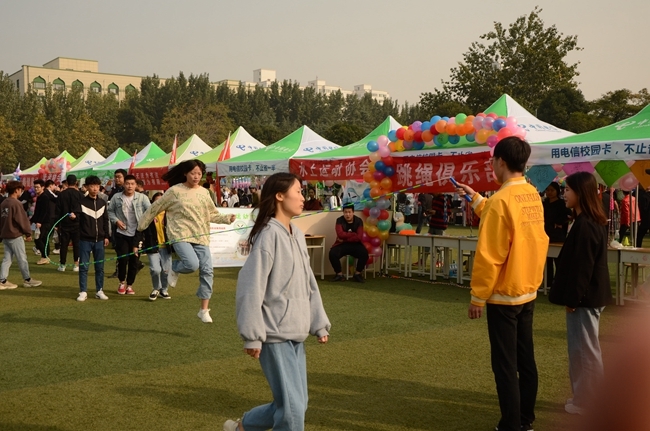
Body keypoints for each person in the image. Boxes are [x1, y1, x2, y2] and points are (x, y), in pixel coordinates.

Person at [455, 137, 549, 431]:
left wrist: (477, 297)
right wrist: (475, 198)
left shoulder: (500, 201)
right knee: (525, 360)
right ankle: (525, 420)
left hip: (504, 295)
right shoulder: (531, 193)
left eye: (493, 161)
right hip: (527, 289)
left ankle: (511, 424)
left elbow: (490, 256)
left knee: (505, 366)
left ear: (502, 162)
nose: (492, 166)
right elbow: (505, 221)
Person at [224, 172, 330, 431]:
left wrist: (319, 322)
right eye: (298, 192)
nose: (303, 198)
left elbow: (308, 283)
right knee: (292, 410)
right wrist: (252, 336)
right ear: (280, 196)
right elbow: (251, 286)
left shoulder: (297, 234)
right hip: (273, 333)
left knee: (295, 404)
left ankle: (243, 427)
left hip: (297, 331)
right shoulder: (269, 234)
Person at [137, 160, 235, 323]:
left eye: (199, 173)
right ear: (185, 173)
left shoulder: (204, 192)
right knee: (191, 264)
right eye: (193, 173)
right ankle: (174, 268)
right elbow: (155, 208)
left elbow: (212, 214)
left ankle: (204, 310)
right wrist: (141, 225)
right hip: (180, 234)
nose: (196, 176)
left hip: (201, 235)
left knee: (207, 271)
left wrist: (227, 218)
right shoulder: (174, 191)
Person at [549, 171, 612, 416]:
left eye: (568, 190)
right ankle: (585, 397)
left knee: (584, 352)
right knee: (583, 351)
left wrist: (573, 299)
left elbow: (582, 267)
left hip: (584, 298)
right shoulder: (590, 220)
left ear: (580, 192)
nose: (564, 194)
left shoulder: (586, 223)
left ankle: (588, 401)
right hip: (588, 296)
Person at [107, 174, 150, 295]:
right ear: (124, 184)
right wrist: (116, 221)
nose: (130, 186)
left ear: (136, 185)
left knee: (134, 260)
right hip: (122, 233)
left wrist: (145, 223)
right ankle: (122, 282)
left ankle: (130, 285)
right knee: (123, 259)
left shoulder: (142, 198)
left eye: (132, 184)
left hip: (137, 233)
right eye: (127, 184)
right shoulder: (116, 197)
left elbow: (150, 211)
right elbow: (110, 211)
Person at [0, 181, 42, 289]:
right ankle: (27, 279)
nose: (21, 192)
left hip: (5, 235)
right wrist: (28, 233)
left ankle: (2, 280)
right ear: (16, 190)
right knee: (22, 258)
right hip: (14, 235)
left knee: (7, 259)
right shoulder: (16, 203)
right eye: (20, 189)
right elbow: (22, 220)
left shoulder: (4, 203)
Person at [76, 176, 110, 302]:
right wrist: (73, 217)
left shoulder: (102, 203)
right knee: (84, 267)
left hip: (100, 240)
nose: (95, 188)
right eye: (92, 186)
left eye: (97, 186)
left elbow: (105, 221)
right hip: (85, 240)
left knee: (99, 267)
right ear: (86, 187)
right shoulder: (81, 202)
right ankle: (83, 291)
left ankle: (99, 290)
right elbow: (77, 221)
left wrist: (106, 236)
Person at [328, 203, 369, 283]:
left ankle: (357, 274)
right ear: (343, 212)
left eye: (349, 212)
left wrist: (345, 239)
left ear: (353, 212)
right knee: (332, 253)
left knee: (364, 253)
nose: (347, 214)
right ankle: (339, 274)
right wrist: (353, 234)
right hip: (341, 244)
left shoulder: (358, 221)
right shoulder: (339, 220)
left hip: (355, 244)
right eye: (346, 212)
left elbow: (359, 237)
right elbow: (340, 234)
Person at [143, 192, 172, 301]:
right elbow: (141, 229)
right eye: (157, 201)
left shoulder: (170, 215)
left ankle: (164, 290)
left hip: (166, 247)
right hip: (153, 246)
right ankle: (156, 288)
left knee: (166, 270)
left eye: (161, 200)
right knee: (155, 270)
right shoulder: (149, 215)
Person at [543, 182, 572, 284]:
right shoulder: (544, 203)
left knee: (558, 259)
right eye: (547, 190)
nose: (549, 192)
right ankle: (548, 281)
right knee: (547, 260)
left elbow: (569, 216)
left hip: (558, 235)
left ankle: (560, 281)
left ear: (557, 191)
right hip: (545, 233)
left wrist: (559, 223)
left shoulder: (561, 203)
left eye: (552, 190)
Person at [54, 174, 83, 272]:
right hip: (77, 223)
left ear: (66, 183)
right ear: (76, 182)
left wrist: (56, 224)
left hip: (64, 223)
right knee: (76, 245)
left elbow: (57, 210)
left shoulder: (61, 195)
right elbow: (82, 210)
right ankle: (76, 264)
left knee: (64, 245)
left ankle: (62, 264)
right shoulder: (80, 195)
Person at [31, 179, 55, 265]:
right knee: (44, 239)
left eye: (38, 187)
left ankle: (44, 257)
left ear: (43, 187)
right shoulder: (40, 197)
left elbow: (44, 211)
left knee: (38, 239)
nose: (36, 189)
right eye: (35, 187)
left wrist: (39, 222)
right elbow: (37, 211)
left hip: (44, 222)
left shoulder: (44, 197)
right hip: (43, 221)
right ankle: (46, 257)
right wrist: (32, 220)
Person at [107, 168, 127, 278]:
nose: (117, 179)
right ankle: (119, 270)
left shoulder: (128, 191)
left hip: (128, 224)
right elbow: (110, 208)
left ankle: (134, 264)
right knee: (118, 247)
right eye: (116, 177)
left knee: (125, 248)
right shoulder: (114, 192)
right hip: (116, 223)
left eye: (119, 177)